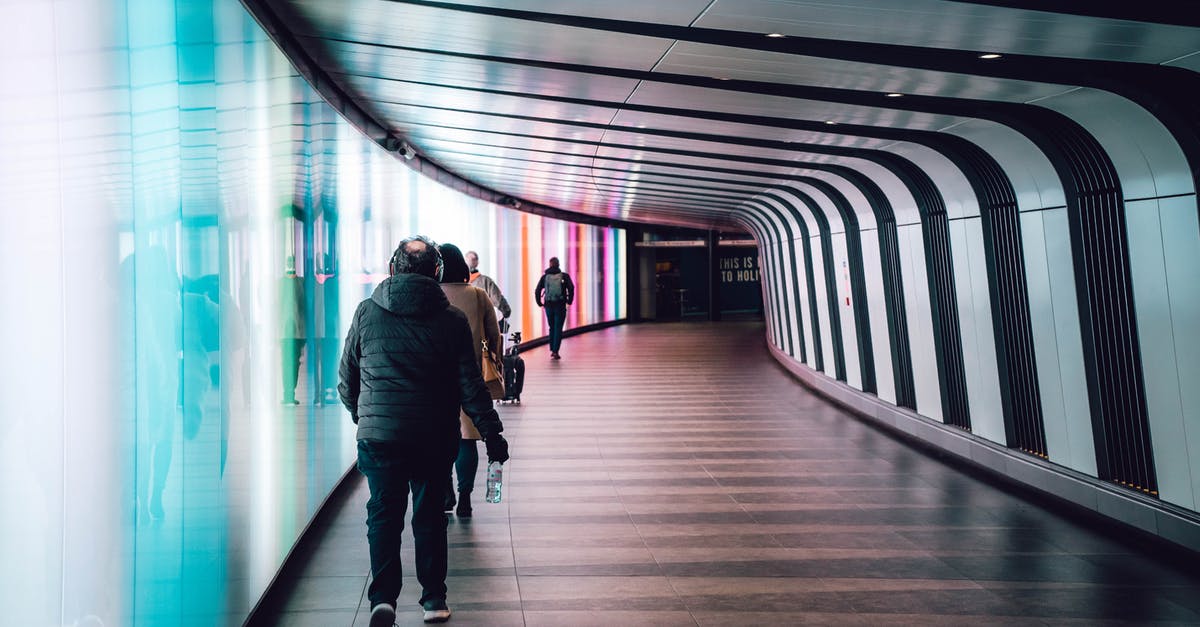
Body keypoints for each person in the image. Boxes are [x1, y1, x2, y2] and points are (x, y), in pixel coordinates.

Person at [339, 235, 510, 626]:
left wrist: (363, 415)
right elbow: (471, 385)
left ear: (393, 268)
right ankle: (433, 599)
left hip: (379, 437)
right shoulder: (451, 320)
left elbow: (346, 376)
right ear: (435, 272)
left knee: (383, 513)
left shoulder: (367, 312)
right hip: (433, 435)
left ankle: (384, 599)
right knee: (430, 514)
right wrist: (492, 434)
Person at [438, 244, 503, 518]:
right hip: (471, 376)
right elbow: (494, 335)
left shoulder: (430, 295)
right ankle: (465, 497)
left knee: (439, 439)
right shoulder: (477, 295)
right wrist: (494, 363)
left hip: (435, 379)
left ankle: (445, 492)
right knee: (467, 439)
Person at [534, 256, 575, 359]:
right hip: (560, 305)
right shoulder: (564, 276)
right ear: (558, 264)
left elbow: (537, 290)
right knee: (558, 328)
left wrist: (539, 302)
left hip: (548, 305)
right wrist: (569, 301)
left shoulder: (545, 277)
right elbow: (571, 287)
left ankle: (552, 348)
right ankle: (555, 351)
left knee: (552, 327)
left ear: (550, 264)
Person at [465, 250, 512, 322]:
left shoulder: (457, 284)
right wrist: (506, 312)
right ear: (477, 263)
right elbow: (498, 300)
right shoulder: (485, 281)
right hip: (481, 326)